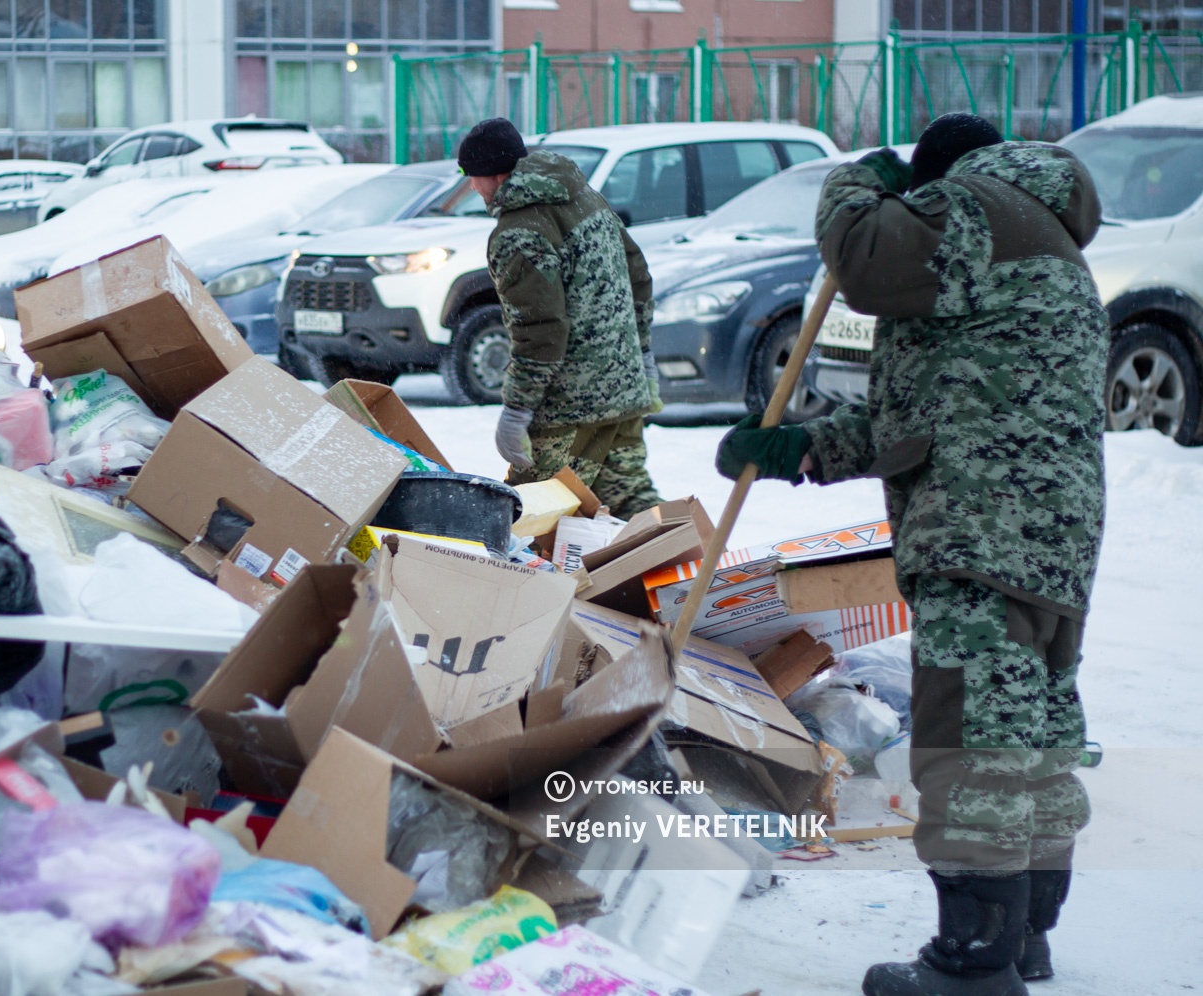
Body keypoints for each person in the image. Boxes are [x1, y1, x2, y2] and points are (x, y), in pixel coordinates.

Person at [715, 113, 1107, 996]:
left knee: (967, 742)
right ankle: (1020, 941)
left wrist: (863, 182)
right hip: (1041, 541)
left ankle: (971, 967)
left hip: (984, 534)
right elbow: (942, 413)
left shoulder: (978, 207)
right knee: (1027, 736)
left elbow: (859, 256)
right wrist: (807, 450)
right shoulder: (1031, 235)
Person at [456, 117, 663, 517]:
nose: (470, 186)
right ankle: (690, 570)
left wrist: (516, 411)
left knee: (532, 517)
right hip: (624, 390)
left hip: (571, 406)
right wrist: (642, 355)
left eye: (470, 175)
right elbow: (638, 274)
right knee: (630, 504)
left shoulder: (518, 231)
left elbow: (541, 330)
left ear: (494, 174)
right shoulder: (585, 198)